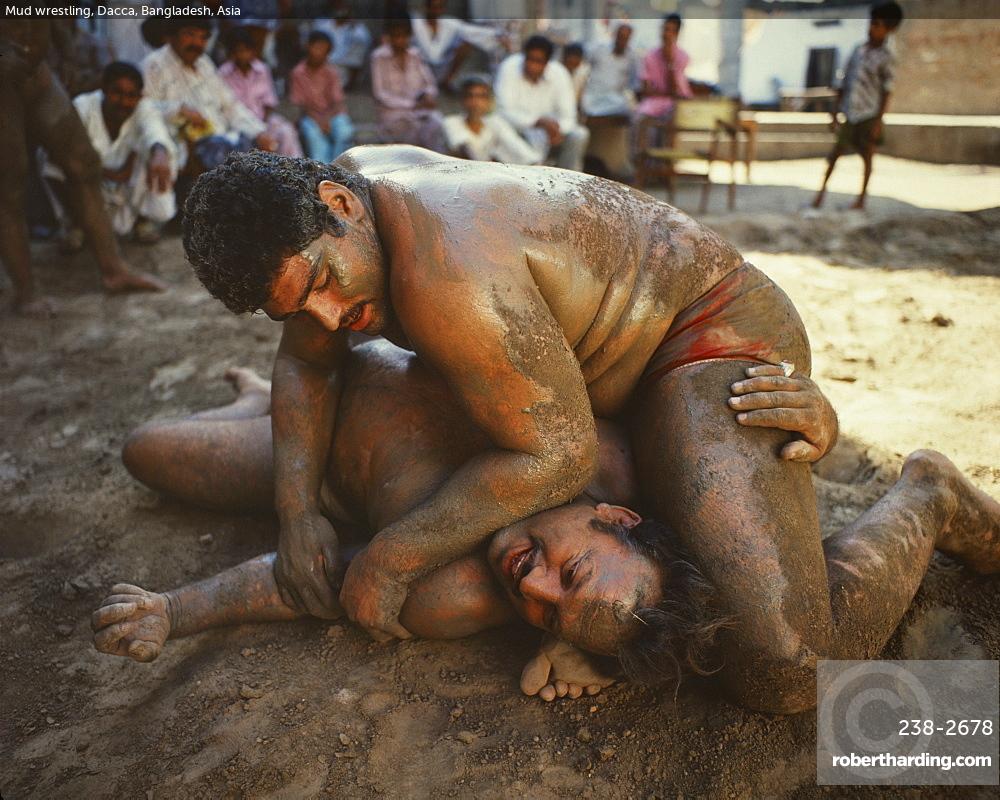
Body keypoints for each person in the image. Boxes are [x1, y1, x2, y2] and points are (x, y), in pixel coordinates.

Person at [181, 149, 1000, 713]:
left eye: (324, 284)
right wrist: (298, 514)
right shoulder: (344, 209)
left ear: (338, 204)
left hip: (702, 349)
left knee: (788, 672)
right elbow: (310, 363)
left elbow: (558, 455)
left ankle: (929, 494)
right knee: (633, 578)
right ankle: (632, 613)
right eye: (298, 306)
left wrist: (391, 558)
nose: (330, 318)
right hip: (580, 387)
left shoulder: (444, 270)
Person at [95, 338, 837, 696]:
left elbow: (308, 581)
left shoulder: (458, 591)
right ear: (616, 515)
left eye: (547, 614)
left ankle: (258, 406)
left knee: (145, 450)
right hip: (358, 360)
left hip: (314, 462)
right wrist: (813, 423)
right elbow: (744, 478)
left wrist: (174, 609)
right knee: (288, 379)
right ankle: (264, 391)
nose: (533, 587)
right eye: (570, 572)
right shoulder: (620, 455)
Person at [0, 20, 164, 316]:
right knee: (9, 184)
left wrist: (65, 51)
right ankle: (25, 292)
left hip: (36, 70)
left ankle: (113, 270)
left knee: (84, 161)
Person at [44, 61, 177, 246]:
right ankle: (74, 224)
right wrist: (112, 173)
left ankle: (141, 221)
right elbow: (62, 149)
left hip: (124, 190)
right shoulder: (83, 106)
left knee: (159, 150)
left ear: (139, 96)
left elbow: (155, 132)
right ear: (104, 89)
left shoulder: (143, 108)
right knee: (50, 163)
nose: (124, 101)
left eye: (131, 95)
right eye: (117, 93)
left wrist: (160, 153)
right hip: (86, 183)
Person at [141, 17, 276, 175]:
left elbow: (230, 106)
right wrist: (179, 110)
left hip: (222, 141)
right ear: (172, 36)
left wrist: (258, 132)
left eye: (203, 37)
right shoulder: (153, 64)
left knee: (266, 154)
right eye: (189, 35)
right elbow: (144, 110)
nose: (196, 43)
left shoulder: (204, 63)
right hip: (184, 145)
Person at [813, 2, 904, 211]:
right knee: (836, 153)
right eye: (871, 22)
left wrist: (878, 121)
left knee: (867, 156)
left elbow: (887, 90)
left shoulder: (887, 58)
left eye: (877, 24)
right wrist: (835, 111)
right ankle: (820, 195)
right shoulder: (858, 51)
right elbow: (844, 82)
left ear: (888, 28)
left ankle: (861, 199)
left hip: (868, 114)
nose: (871, 27)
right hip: (850, 113)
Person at [494, 35, 589, 171]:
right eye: (530, 59)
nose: (532, 66)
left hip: (551, 134)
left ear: (547, 63)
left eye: (538, 61)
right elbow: (503, 111)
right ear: (524, 56)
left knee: (579, 135)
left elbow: (569, 117)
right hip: (518, 132)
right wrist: (537, 122)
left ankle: (568, 182)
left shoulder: (559, 73)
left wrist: (557, 129)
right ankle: (530, 170)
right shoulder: (509, 67)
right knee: (497, 125)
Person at [219, 27, 302, 158]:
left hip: (263, 120)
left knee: (286, 131)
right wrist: (254, 130)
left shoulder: (262, 69)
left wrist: (262, 127)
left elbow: (269, 103)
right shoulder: (223, 73)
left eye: (247, 50)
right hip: (237, 124)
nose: (244, 55)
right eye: (239, 51)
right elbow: (226, 108)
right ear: (232, 53)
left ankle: (295, 169)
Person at [370, 16, 446, 152]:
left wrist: (428, 95)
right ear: (389, 37)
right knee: (410, 129)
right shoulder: (379, 57)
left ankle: (434, 166)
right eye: (395, 36)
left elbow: (429, 83)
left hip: (419, 109)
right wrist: (411, 104)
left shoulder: (415, 55)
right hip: (393, 112)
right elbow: (380, 93)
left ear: (409, 36)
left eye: (403, 36)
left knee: (436, 122)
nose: (399, 40)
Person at [442, 76, 541, 165]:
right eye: (470, 96)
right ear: (462, 100)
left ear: (488, 101)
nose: (475, 102)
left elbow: (516, 146)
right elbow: (465, 150)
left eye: (481, 97)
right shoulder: (451, 122)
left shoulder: (495, 123)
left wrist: (536, 163)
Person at [290, 31, 354, 163]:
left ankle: (337, 169)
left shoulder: (332, 72)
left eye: (323, 49)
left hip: (333, 114)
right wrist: (319, 121)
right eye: (316, 47)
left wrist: (327, 120)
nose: (319, 53)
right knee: (316, 140)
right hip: (310, 116)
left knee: (345, 132)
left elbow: (337, 102)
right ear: (308, 47)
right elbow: (302, 105)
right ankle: (322, 173)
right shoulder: (298, 72)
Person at [411, 0, 502, 90]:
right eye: (433, 7)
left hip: (443, 67)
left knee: (466, 43)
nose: (436, 11)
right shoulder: (415, 23)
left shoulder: (449, 24)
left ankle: (446, 81)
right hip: (420, 67)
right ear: (426, 7)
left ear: (443, 9)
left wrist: (498, 35)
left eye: (439, 7)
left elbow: (471, 31)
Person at [633, 13, 692, 152]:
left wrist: (670, 62)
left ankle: (664, 167)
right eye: (664, 29)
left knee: (669, 122)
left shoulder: (682, 57)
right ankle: (642, 166)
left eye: (670, 30)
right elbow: (646, 90)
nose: (666, 34)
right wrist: (665, 93)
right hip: (652, 103)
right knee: (640, 120)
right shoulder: (650, 56)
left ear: (677, 33)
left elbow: (675, 91)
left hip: (672, 106)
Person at [581, 23, 638, 120]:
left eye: (625, 38)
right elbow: (583, 65)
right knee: (586, 107)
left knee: (630, 109)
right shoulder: (599, 50)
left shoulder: (632, 58)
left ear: (629, 39)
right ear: (615, 35)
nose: (622, 41)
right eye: (620, 36)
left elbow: (633, 84)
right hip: (592, 95)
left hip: (614, 99)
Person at [313, 4, 371, 92]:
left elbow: (365, 41)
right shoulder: (323, 25)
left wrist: (353, 28)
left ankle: (350, 85)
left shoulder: (357, 28)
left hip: (344, 64)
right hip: (324, 61)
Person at [561, 43, 589, 107]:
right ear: (564, 57)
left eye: (577, 58)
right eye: (570, 60)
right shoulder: (556, 73)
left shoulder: (582, 74)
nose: (573, 61)